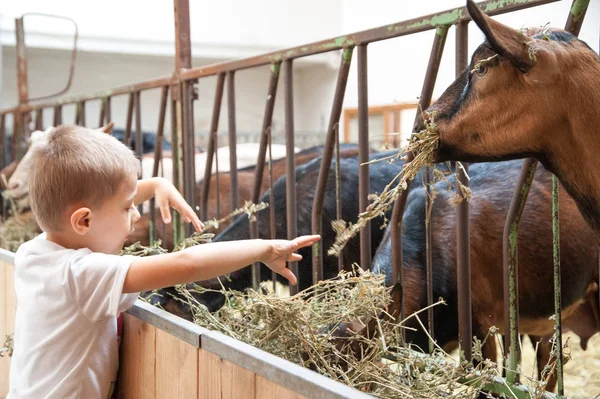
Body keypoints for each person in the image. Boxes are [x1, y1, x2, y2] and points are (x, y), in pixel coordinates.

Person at [7, 124, 320, 399]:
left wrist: (156, 184)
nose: (137, 214)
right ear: (83, 222)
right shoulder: (83, 274)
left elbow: (100, 201)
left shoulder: (34, 253)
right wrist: (262, 248)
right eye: (128, 208)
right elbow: (188, 264)